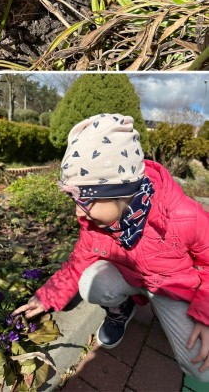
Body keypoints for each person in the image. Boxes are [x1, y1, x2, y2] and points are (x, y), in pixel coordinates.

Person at [12, 113, 209, 381]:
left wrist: (204, 314)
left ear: (121, 192)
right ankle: (122, 310)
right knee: (90, 281)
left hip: (172, 287)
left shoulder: (183, 215)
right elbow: (77, 263)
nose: (79, 214)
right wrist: (46, 297)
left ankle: (167, 313)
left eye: (84, 202)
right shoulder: (96, 224)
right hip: (130, 279)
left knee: (201, 366)